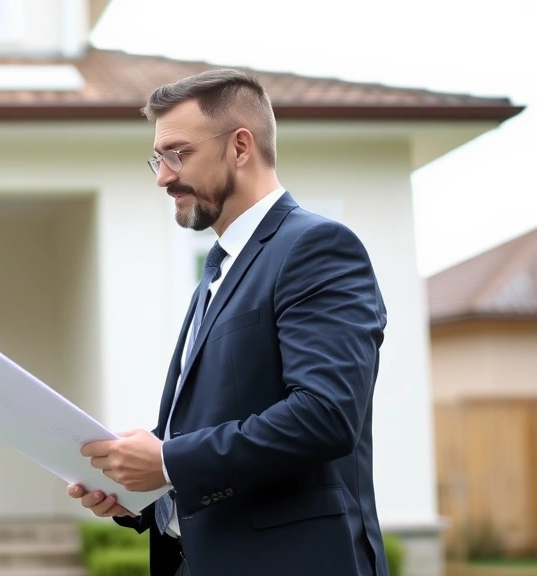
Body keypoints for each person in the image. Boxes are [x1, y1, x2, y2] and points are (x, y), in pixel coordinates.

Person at [66, 69, 390, 576]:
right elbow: (221, 431)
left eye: (178, 154)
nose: (162, 177)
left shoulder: (317, 248)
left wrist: (170, 461)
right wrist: (142, 490)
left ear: (241, 146)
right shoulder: (216, 271)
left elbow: (325, 414)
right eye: (158, 158)